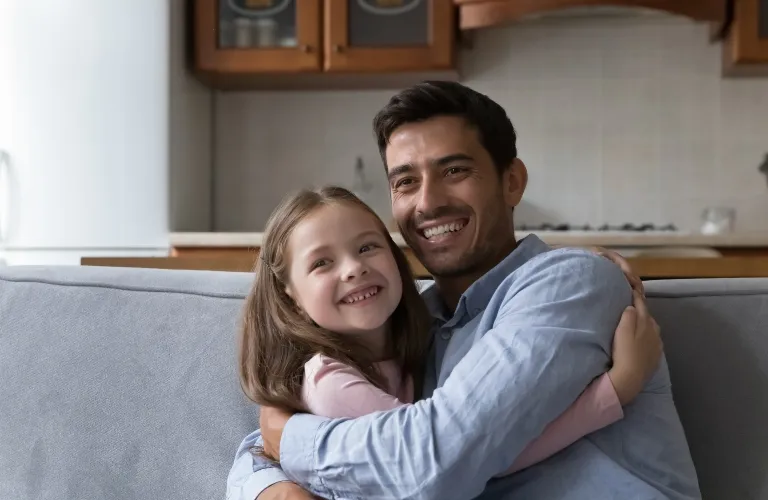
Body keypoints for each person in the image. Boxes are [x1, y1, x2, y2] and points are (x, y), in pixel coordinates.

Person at [227, 81, 700, 500]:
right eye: (406, 181)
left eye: (454, 171)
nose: (428, 202)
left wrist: (287, 439)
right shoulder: (411, 322)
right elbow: (280, 434)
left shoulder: (567, 285)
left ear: (511, 182)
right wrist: (270, 480)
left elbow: (433, 466)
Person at [239, 185, 660, 481]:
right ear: (290, 296)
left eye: (368, 247)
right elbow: (463, 460)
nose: (353, 268)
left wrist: (572, 266)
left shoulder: (425, 334)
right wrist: (613, 392)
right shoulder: (333, 384)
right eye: (321, 263)